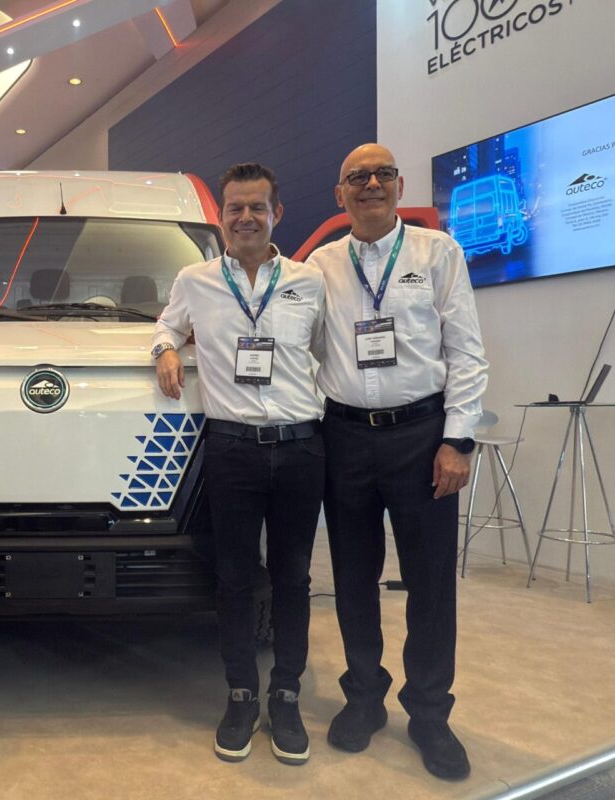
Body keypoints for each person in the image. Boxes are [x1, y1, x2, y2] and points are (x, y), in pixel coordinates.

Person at [309, 143, 487, 780]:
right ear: (340, 194)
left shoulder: (438, 253)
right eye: (356, 177)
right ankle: (364, 696)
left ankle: (430, 713)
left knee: (431, 582)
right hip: (344, 437)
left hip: (422, 436)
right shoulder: (320, 266)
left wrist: (458, 440)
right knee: (353, 576)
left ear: (399, 185)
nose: (371, 184)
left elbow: (466, 351)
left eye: (382, 174)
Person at [153, 163, 326, 765]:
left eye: (257, 207)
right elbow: (165, 324)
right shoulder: (195, 280)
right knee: (232, 577)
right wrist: (165, 349)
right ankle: (241, 693)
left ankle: (286, 693)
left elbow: (329, 353)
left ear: (277, 213)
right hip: (230, 449)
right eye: (235, 208)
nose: (246, 218)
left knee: (293, 577)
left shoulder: (309, 281)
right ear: (221, 217)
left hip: (301, 448)